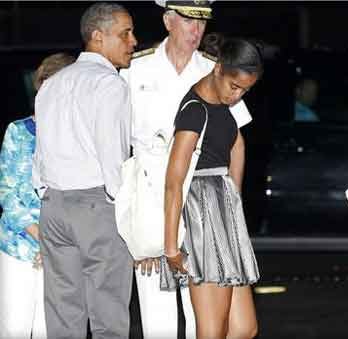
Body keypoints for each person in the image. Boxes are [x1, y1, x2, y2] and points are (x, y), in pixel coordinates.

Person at [119, 1, 253, 337]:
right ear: (168, 21)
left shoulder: (214, 70)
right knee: (158, 323)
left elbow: (237, 140)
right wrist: (138, 229)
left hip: (205, 209)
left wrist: (231, 199)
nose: (196, 31)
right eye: (188, 21)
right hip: (153, 201)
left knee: (206, 324)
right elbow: (121, 150)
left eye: (202, 23)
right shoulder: (134, 70)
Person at [32, 3, 137, 338]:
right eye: (125, 33)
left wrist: (45, 194)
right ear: (97, 37)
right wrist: (124, 210)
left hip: (54, 206)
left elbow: (41, 152)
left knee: (63, 315)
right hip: (96, 205)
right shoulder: (110, 84)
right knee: (109, 315)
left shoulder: (51, 84)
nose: (133, 41)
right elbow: (113, 156)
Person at [164, 36, 261, 339]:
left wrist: (234, 194)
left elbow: (236, 142)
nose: (238, 95)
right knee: (212, 331)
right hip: (203, 215)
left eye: (246, 90)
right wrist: (170, 246)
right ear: (218, 69)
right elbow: (173, 182)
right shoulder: (195, 110)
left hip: (223, 207)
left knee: (244, 328)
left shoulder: (222, 103)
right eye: (235, 86)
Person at [0, 52, 74, 339]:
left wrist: (56, 243)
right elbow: (9, 194)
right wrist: (42, 239)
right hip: (18, 248)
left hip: (62, 250)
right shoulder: (17, 132)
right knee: (14, 328)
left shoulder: (79, 139)